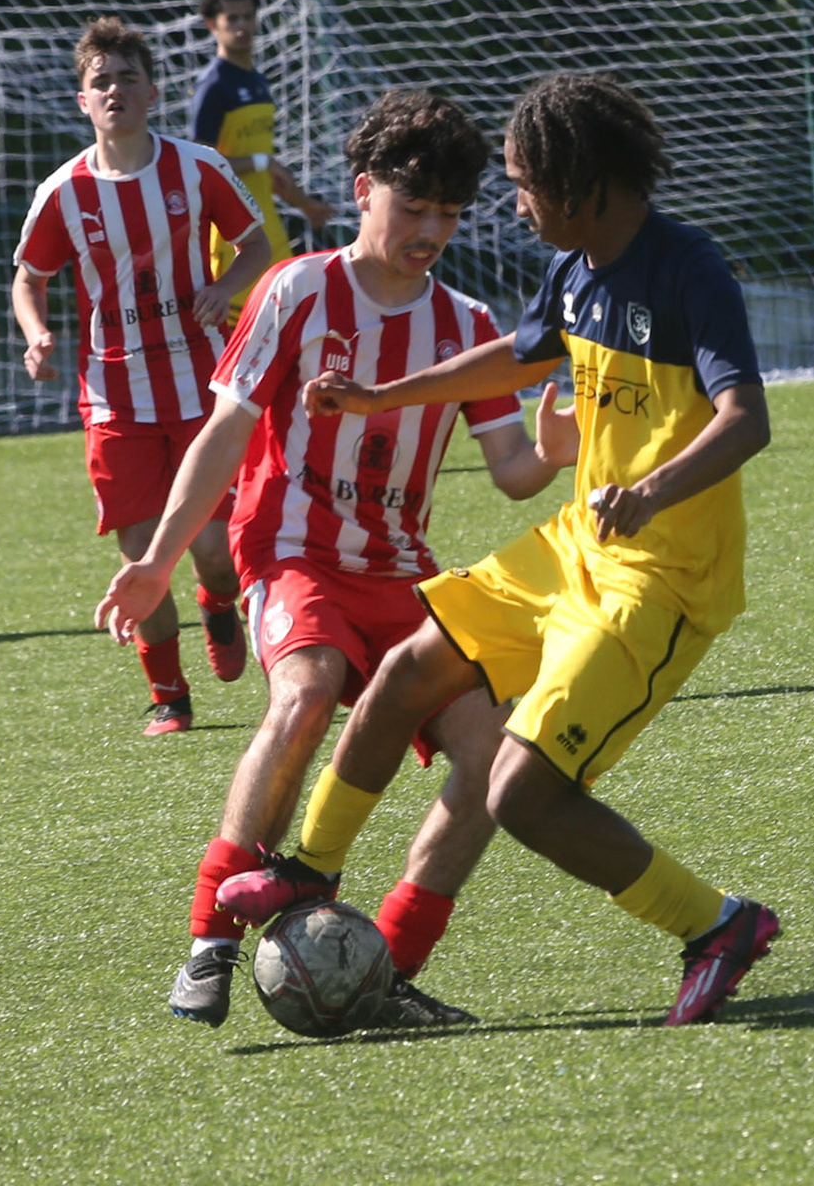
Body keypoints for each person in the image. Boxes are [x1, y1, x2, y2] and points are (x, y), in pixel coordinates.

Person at [217, 72, 778, 1026]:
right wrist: (382, 397)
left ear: (578, 181)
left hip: (663, 577)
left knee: (520, 792)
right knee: (406, 672)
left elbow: (746, 418)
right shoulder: (576, 267)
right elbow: (520, 357)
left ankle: (716, 924)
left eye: (524, 186)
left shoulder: (688, 269)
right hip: (577, 545)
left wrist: (650, 491)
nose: (515, 207)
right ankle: (308, 867)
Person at [95, 89, 573, 1028]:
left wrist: (555, 455)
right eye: (413, 207)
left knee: (496, 758)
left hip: (401, 573)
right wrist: (158, 561)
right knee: (306, 692)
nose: (430, 231)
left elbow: (512, 472)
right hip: (291, 553)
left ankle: (389, 965)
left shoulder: (468, 323)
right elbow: (225, 431)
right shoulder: (295, 290)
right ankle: (210, 942)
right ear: (363, 192)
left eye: (448, 214)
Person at [13, 17, 270, 736]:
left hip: (202, 384)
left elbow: (255, 245)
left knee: (215, 553)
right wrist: (37, 335)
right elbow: (28, 278)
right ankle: (169, 696)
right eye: (101, 81)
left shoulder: (198, 168)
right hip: (113, 396)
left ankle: (218, 602)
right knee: (139, 557)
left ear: (153, 93)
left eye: (128, 78)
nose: (114, 90)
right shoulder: (63, 191)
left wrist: (227, 287)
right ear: (82, 101)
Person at [189, 0, 335, 317]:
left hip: (266, 224)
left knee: (289, 320)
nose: (241, 26)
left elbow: (268, 170)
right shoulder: (213, 86)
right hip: (231, 233)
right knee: (244, 329)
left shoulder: (257, 82)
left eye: (248, 17)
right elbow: (201, 164)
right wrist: (260, 162)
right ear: (213, 25)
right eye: (232, 19)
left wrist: (305, 205)